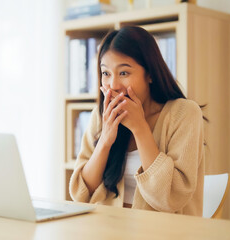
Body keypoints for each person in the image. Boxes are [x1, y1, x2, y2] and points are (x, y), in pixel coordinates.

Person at [69, 26, 206, 216]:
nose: (114, 85)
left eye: (124, 73)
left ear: (150, 74)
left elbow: (170, 198)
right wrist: (105, 140)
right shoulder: (101, 116)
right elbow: (81, 195)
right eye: (106, 73)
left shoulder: (184, 113)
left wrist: (140, 128)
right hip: (108, 230)